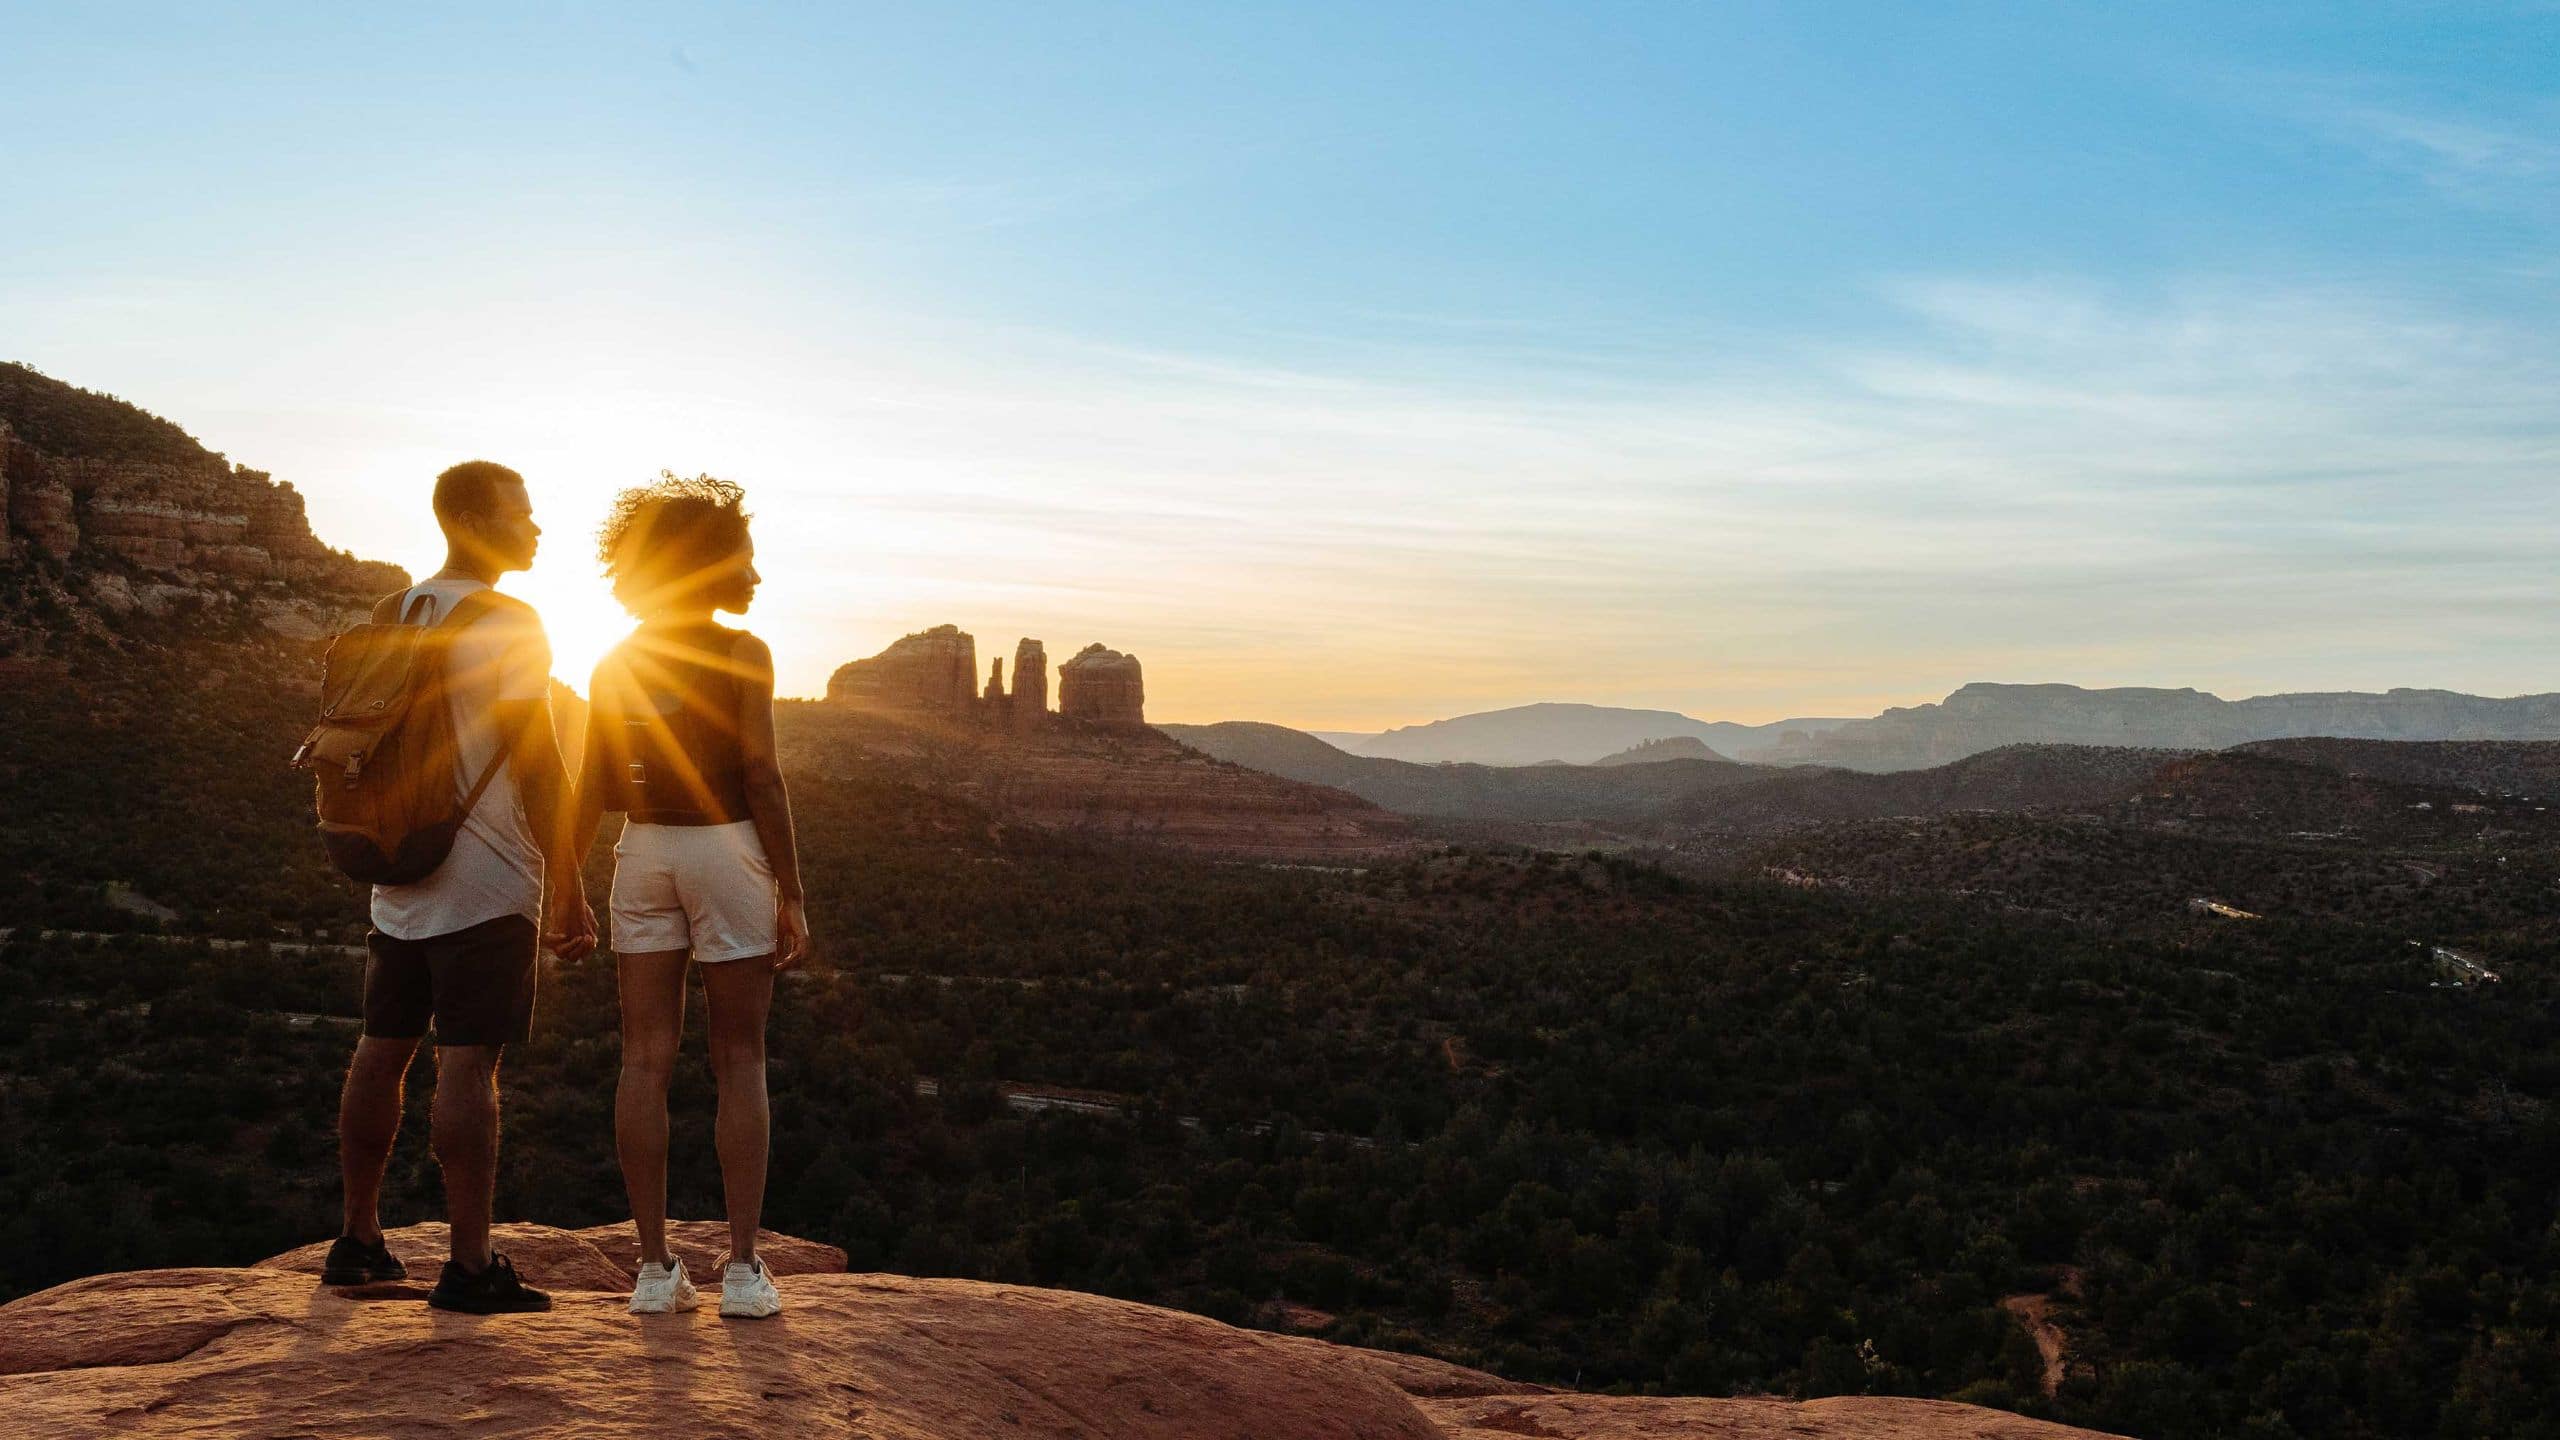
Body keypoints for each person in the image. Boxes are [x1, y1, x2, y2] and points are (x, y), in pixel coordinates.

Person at [323, 460, 594, 1314]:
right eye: (524, 512)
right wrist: (570, 883)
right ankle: (471, 1264)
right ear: (476, 518)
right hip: (484, 878)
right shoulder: (512, 621)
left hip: (397, 868)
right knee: (469, 1064)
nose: (538, 528)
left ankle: (359, 1239)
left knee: (382, 1046)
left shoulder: (390, 611)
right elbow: (541, 761)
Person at [555, 472, 810, 1320]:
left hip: (644, 851)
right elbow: (763, 777)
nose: (755, 577)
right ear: (707, 565)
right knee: (739, 1058)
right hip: (727, 846)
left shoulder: (614, 658)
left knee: (643, 1060)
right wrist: (794, 894)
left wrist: (566, 884)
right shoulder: (743, 652)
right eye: (744, 559)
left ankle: (655, 1270)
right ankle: (741, 1271)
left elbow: (588, 785)